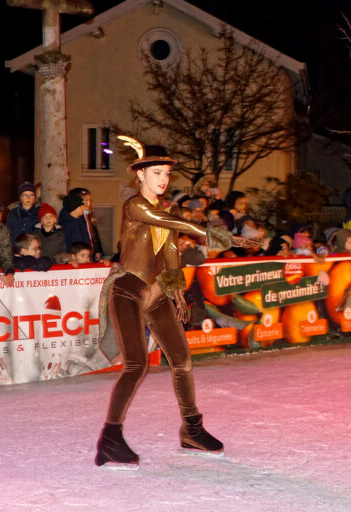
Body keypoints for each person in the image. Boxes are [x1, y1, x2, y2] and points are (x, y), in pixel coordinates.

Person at [94, 143, 251, 468]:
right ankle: (110, 438)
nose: (163, 179)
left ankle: (192, 428)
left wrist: (176, 289)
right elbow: (177, 226)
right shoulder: (136, 206)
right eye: (156, 173)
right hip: (127, 290)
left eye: (166, 173)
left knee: (182, 361)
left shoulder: (164, 212)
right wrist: (218, 236)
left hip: (156, 293)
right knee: (137, 365)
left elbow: (169, 254)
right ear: (140, 174)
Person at [58, 188, 103, 260]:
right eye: (85, 201)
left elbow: (93, 235)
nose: (88, 204)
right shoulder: (67, 222)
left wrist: (97, 250)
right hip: (77, 257)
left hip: (87, 255)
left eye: (89, 201)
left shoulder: (86, 216)